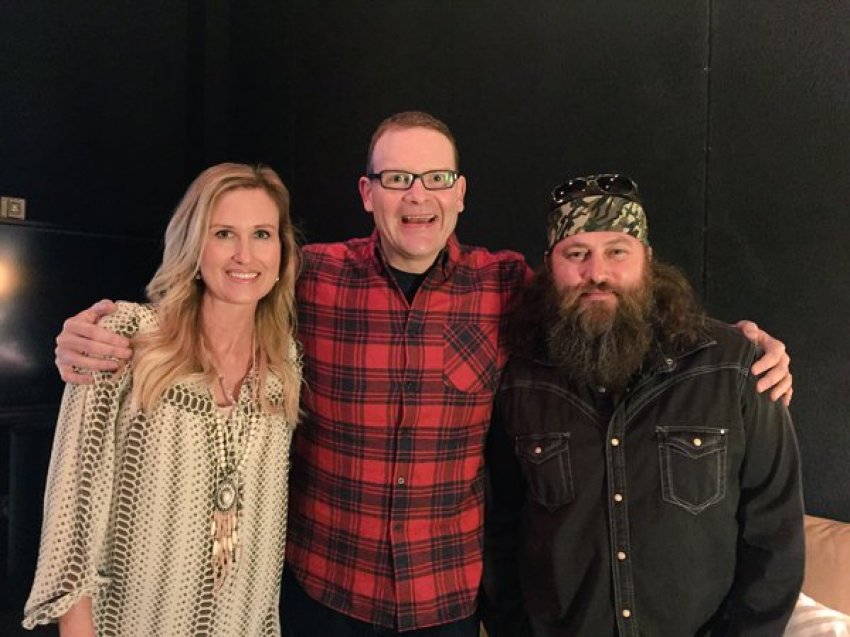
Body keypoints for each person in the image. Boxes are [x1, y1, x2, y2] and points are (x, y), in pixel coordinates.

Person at [52, 113, 793, 636]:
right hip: (319, 593)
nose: (418, 195)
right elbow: (217, 292)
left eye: (436, 177)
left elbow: (605, 299)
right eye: (398, 177)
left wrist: (741, 340)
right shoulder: (304, 277)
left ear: (460, 193)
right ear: (367, 192)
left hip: (443, 602)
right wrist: (92, 332)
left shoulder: (508, 285)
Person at [481, 174, 805, 636]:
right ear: (549, 268)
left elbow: (775, 535)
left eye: (617, 251)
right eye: (576, 254)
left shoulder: (733, 369)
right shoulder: (519, 382)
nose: (597, 272)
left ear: (647, 261)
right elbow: (501, 534)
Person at [23, 163, 302, 636]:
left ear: (281, 252)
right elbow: (73, 522)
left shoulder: (282, 364)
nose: (244, 254)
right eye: (223, 233)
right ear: (194, 246)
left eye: (261, 234)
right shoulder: (126, 338)